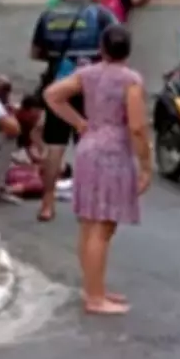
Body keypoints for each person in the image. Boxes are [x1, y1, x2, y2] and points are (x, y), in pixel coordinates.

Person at [44, 25, 151, 315]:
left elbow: (52, 94)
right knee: (103, 227)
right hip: (113, 152)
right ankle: (95, 297)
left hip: (88, 146)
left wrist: (78, 122)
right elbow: (137, 127)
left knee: (90, 222)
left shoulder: (87, 74)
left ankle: (93, 288)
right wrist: (146, 165)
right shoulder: (131, 80)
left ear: (102, 49)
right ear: (127, 51)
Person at [31, 0, 119, 222]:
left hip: (58, 88)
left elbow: (35, 52)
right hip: (90, 88)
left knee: (55, 146)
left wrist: (60, 58)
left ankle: (47, 205)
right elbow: (118, 46)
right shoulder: (100, 14)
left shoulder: (49, 14)